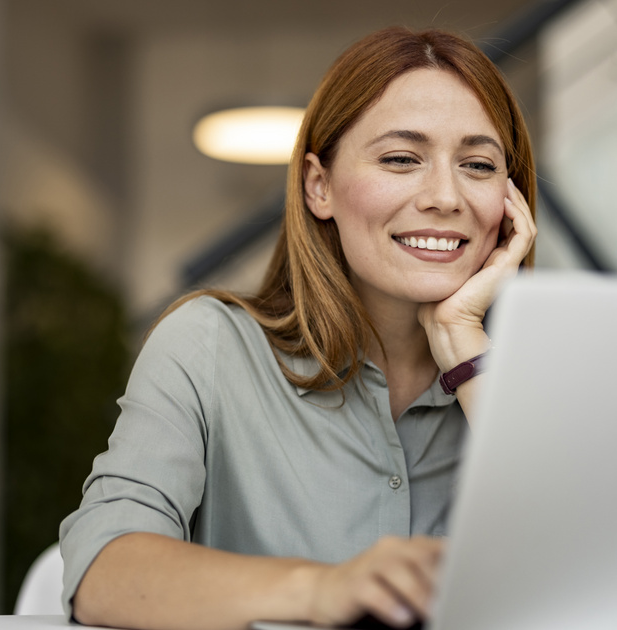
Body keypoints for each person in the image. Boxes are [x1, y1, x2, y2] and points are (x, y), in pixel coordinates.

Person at [59, 26, 537, 630]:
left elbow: (602, 584)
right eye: (400, 159)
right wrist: (322, 589)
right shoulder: (209, 346)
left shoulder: (536, 378)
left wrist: (468, 350)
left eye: (478, 165)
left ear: (510, 202)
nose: (445, 196)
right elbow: (103, 567)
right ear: (319, 186)